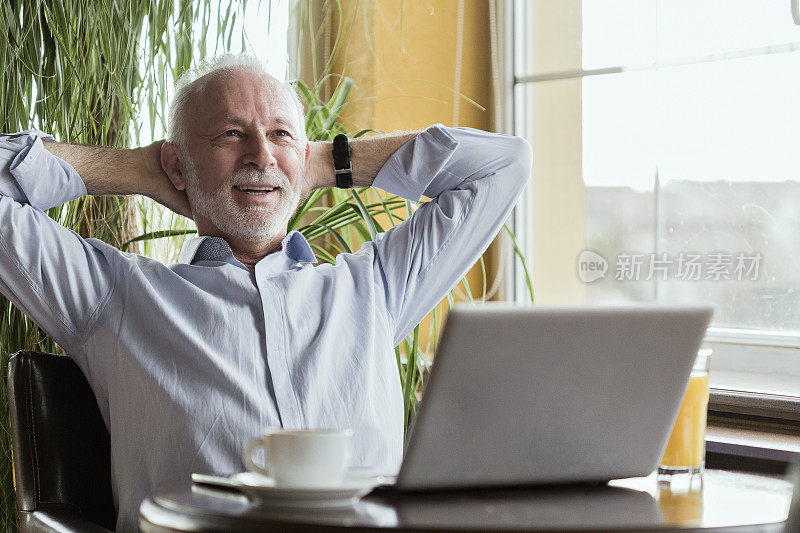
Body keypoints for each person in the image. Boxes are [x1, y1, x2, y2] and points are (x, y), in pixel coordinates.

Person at [0, 54, 531, 532]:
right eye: (231, 135)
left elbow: (503, 165)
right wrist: (139, 171)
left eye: (279, 134)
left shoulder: (375, 286)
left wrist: (324, 162)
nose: (261, 155)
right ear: (177, 165)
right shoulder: (115, 295)